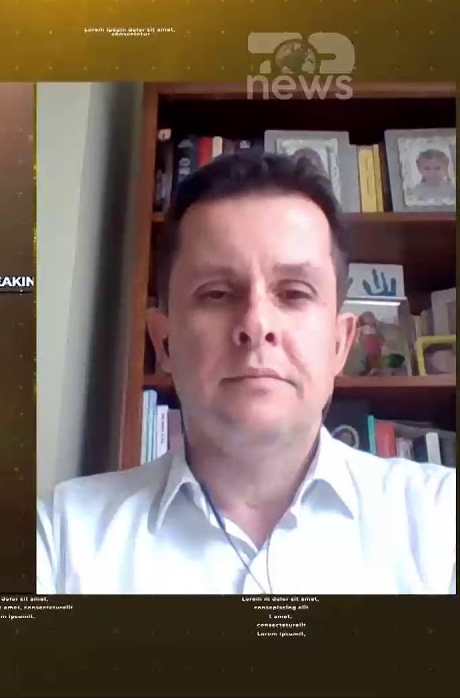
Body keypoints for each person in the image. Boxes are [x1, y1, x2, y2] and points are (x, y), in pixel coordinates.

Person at [37, 151, 456, 595]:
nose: (256, 325)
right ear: (164, 342)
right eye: (217, 294)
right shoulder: (63, 537)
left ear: (340, 343)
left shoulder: (443, 520)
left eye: (294, 293)